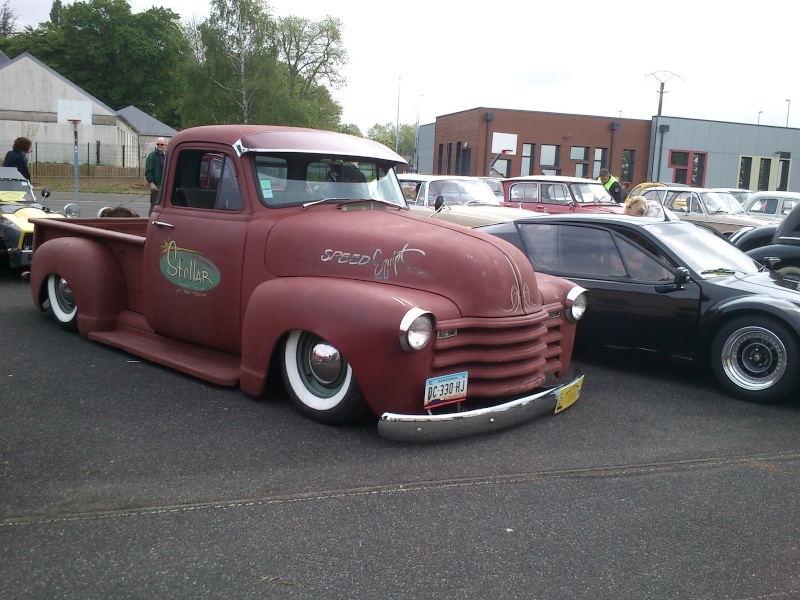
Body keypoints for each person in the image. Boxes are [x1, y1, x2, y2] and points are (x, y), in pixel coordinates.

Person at [145, 137, 168, 215]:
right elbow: (148, 171)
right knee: (155, 204)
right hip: (157, 184)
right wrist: (151, 183)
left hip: (166, 184)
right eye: (158, 144)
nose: (159, 146)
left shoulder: (167, 155)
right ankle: (150, 220)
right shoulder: (152, 156)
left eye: (161, 144)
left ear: (166, 145)